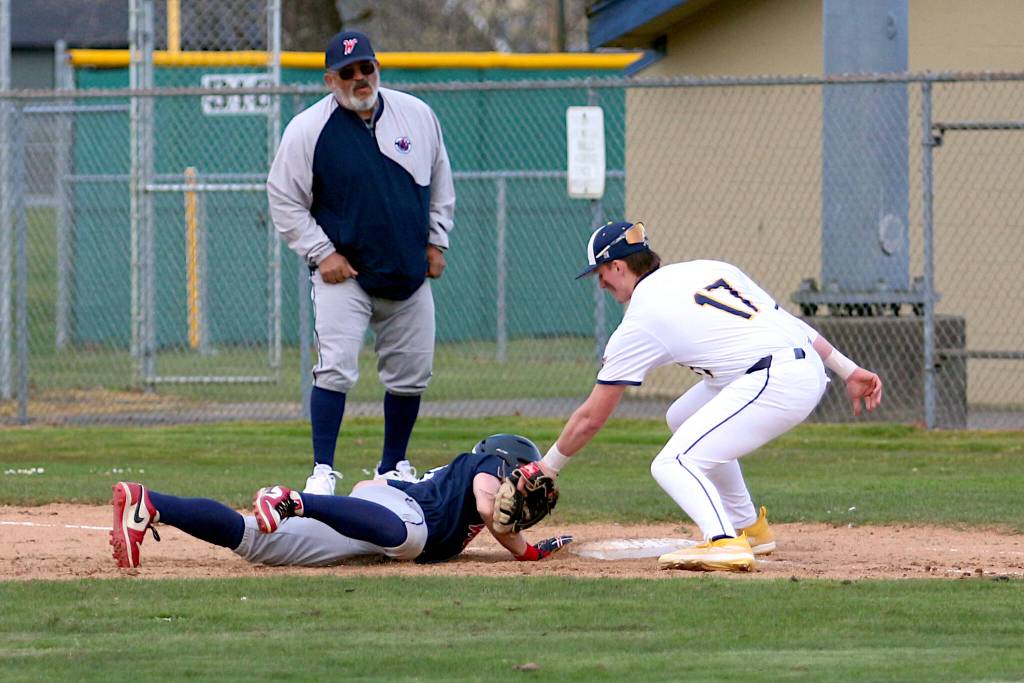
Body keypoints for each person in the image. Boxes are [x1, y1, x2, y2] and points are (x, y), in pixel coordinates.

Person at [531, 220, 883, 572]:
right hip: (791, 368)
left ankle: (724, 542)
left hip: (774, 378)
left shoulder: (641, 318)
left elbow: (591, 417)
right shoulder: (709, 269)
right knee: (681, 417)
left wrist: (546, 468)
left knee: (673, 463)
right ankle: (749, 528)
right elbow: (791, 323)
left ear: (618, 267)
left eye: (601, 273)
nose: (601, 282)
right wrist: (848, 370)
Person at [267, 30, 455, 491]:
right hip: (344, 274)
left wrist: (437, 241)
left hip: (407, 271)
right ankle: (322, 471)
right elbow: (283, 199)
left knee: (412, 372)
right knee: (335, 367)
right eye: (347, 73)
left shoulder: (417, 115)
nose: (359, 78)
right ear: (331, 79)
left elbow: (440, 182)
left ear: (377, 69)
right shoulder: (309, 129)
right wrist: (321, 251)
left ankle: (393, 467)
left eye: (365, 68)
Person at [109, 434, 572, 570]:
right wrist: (516, 533)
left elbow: (501, 527)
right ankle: (295, 500)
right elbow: (490, 508)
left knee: (257, 542)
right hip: (401, 510)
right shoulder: (486, 464)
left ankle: (150, 504)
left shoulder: (486, 470)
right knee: (411, 540)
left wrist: (531, 550)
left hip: (373, 516)